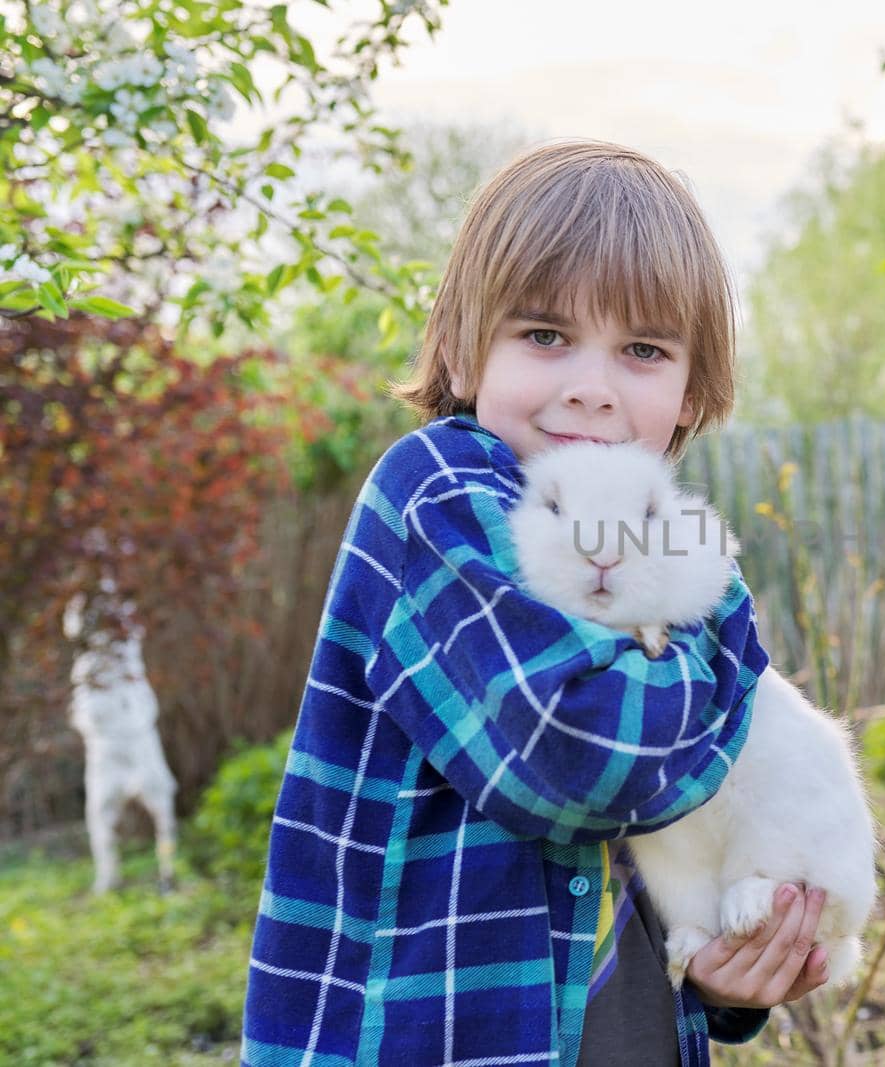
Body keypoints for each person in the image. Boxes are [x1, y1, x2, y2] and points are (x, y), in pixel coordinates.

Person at [242, 139, 831, 1067]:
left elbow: (683, 821)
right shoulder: (439, 495)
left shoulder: (657, 538)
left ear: (690, 392)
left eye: (642, 349)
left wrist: (722, 973)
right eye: (546, 335)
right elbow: (579, 757)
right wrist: (715, 629)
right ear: (463, 348)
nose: (590, 389)